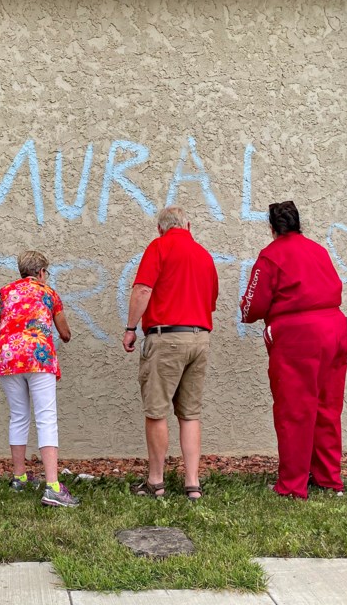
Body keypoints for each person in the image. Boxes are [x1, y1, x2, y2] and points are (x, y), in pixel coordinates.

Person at [239, 200, 347, 500]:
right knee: (328, 407)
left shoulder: (271, 256)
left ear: (272, 228)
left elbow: (253, 304)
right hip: (335, 329)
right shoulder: (319, 251)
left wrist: (246, 312)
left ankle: (292, 484)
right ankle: (328, 478)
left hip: (299, 337)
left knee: (295, 410)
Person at [122, 206, 219, 501]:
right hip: (199, 338)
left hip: (167, 338)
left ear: (160, 228)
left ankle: (156, 481)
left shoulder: (159, 247)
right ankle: (192, 484)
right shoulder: (204, 255)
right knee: (190, 414)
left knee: (157, 411)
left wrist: (130, 328)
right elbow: (211, 300)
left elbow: (142, 290)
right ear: (188, 225)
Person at [0, 250, 78, 508]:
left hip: (7, 358)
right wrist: (62, 336)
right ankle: (52, 487)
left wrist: (3, 348)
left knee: (18, 415)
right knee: (46, 416)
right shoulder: (48, 293)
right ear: (41, 272)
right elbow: (65, 331)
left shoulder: (3, 292)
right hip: (38, 358)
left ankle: (19, 477)